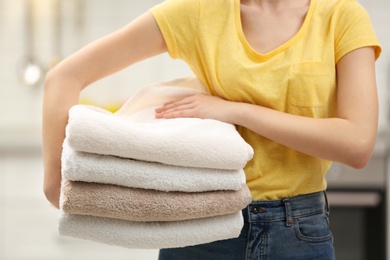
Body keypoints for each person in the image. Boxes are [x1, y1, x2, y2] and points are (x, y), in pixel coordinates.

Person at [42, 0, 381, 259]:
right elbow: (64, 77)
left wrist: (235, 111)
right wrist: (57, 182)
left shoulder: (341, 16)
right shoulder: (201, 12)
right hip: (201, 227)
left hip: (298, 231)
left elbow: (356, 143)